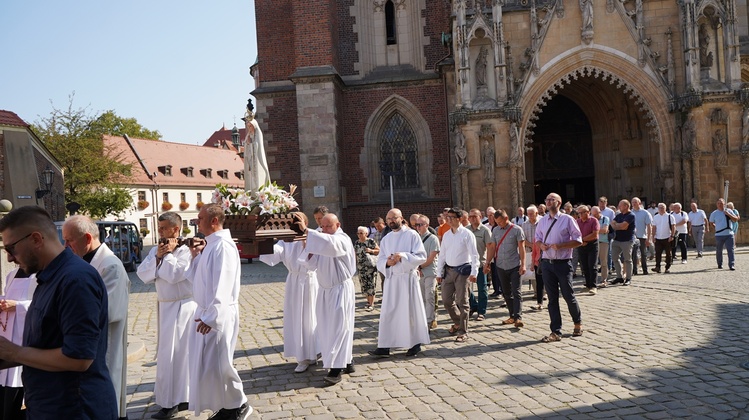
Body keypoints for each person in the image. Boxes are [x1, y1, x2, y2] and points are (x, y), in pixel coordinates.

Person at [0, 206, 117, 418]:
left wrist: (13, 352)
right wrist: (6, 357)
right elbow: (45, 345)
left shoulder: (76, 279)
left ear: (36, 239)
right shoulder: (48, 277)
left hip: (75, 408)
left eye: (11, 249)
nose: (9, 258)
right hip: (49, 405)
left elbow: (79, 359)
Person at [185, 204, 251, 419]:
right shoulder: (211, 245)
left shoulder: (222, 246)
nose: (197, 221)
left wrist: (212, 317)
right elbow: (200, 280)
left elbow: (222, 283)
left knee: (221, 363)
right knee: (211, 364)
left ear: (214, 220)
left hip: (218, 313)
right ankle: (226, 404)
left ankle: (239, 404)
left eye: (201, 217)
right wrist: (195, 256)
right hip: (208, 312)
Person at [63, 215, 130, 420]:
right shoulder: (85, 259)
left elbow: (108, 310)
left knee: (103, 396)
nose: (65, 245)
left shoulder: (110, 265)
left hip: (104, 341)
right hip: (90, 340)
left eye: (69, 240)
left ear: (87, 238)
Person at [136, 212, 197, 419]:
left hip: (183, 308)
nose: (159, 231)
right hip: (166, 307)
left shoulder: (187, 251)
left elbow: (174, 275)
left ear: (176, 229)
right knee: (169, 355)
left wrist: (167, 256)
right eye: (159, 227)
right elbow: (142, 274)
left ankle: (175, 401)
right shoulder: (156, 249)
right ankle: (173, 398)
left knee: (178, 355)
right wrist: (158, 257)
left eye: (163, 228)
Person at [296, 213, 356, 385]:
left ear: (338, 225)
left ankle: (336, 369)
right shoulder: (322, 239)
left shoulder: (342, 239)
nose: (325, 230)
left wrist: (308, 232)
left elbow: (332, 247)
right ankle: (348, 360)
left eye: (329, 226)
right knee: (325, 328)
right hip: (324, 290)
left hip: (340, 289)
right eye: (322, 226)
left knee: (340, 328)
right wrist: (306, 244)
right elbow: (311, 264)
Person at [259, 213, 320, 373]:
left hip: (311, 279)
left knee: (312, 317)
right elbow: (273, 255)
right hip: (294, 280)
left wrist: (304, 234)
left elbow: (316, 253)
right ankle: (302, 356)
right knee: (298, 318)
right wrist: (265, 237)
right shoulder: (285, 240)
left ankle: (316, 351)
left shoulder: (312, 234)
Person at [368, 209, 429, 358]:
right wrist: (387, 263)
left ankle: (414, 344)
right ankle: (384, 346)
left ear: (401, 218)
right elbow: (380, 260)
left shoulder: (412, 235)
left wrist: (402, 256)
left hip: (407, 279)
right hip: (392, 280)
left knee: (410, 312)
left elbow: (421, 256)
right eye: (388, 219)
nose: (391, 221)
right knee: (389, 313)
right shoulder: (387, 238)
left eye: (393, 218)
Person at [535, 193, 583, 343]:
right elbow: (537, 239)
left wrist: (561, 245)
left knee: (568, 295)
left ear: (559, 202)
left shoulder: (567, 219)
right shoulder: (542, 221)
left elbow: (578, 240)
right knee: (552, 299)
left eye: (552, 199)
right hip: (547, 264)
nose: (548, 202)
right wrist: (540, 245)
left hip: (563, 263)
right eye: (547, 199)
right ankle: (555, 331)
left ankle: (578, 323)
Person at [436, 208, 479, 343]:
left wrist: (474, 272)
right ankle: (457, 322)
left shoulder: (467, 234)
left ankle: (463, 331)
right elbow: (442, 255)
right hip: (448, 271)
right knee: (446, 299)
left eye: (451, 217)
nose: (448, 219)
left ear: (459, 219)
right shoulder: (447, 235)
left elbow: (474, 255)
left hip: (462, 272)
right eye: (447, 217)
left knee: (462, 301)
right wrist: (439, 273)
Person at [0, 268, 37, 420]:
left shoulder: (39, 276)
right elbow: (6, 297)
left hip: (25, 339)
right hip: (8, 332)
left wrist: (18, 306)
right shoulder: (11, 275)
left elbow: (41, 306)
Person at [485, 209, 526, 327]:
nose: (499, 224)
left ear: (506, 218)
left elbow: (521, 248)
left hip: (514, 265)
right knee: (506, 292)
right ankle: (512, 315)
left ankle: (518, 317)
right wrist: (488, 262)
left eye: (500, 222)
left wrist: (523, 264)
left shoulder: (517, 230)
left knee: (516, 291)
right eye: (497, 222)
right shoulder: (496, 230)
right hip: (500, 265)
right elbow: (492, 247)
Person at [467, 209, 493, 321]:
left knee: (482, 289)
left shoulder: (485, 231)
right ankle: (474, 305)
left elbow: (490, 248)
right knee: (466, 288)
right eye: (470, 216)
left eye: (474, 216)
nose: (472, 218)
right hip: (467, 264)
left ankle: (481, 312)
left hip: (481, 264)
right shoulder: (466, 230)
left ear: (480, 216)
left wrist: (488, 263)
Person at [415, 215, 440, 330]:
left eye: (420, 224)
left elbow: (431, 257)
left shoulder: (433, 238)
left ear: (427, 225)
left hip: (430, 271)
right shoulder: (416, 238)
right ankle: (424, 318)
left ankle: (430, 320)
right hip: (419, 272)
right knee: (422, 297)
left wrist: (420, 266)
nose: (418, 227)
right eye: (416, 225)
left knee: (429, 296)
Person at [522, 205, 544, 310]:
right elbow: (522, 239)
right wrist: (532, 245)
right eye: (528, 214)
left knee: (548, 278)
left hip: (544, 254)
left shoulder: (543, 222)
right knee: (536, 276)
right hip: (531, 252)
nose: (530, 216)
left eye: (532, 214)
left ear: (536, 213)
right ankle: (538, 297)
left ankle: (546, 295)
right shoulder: (524, 225)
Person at [610, 199, 636, 286]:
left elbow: (624, 227)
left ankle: (628, 278)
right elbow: (612, 224)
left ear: (626, 206)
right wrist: (618, 226)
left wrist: (617, 225)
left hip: (627, 240)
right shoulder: (619, 215)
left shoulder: (631, 215)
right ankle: (619, 277)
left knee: (627, 259)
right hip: (617, 239)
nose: (618, 207)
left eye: (620, 206)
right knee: (614, 258)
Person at [353, 226, 379, 311]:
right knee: (364, 285)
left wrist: (371, 251)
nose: (359, 235)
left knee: (371, 284)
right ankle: (368, 302)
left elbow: (379, 250)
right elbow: (355, 254)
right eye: (358, 233)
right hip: (361, 268)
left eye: (361, 233)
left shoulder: (371, 241)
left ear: (366, 234)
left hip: (370, 267)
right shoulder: (357, 243)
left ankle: (371, 304)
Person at [575, 205, 600, 295]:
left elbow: (595, 234)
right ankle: (588, 285)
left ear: (587, 212)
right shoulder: (577, 222)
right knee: (584, 266)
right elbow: (574, 233)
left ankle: (593, 286)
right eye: (579, 213)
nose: (580, 215)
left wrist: (583, 239)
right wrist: (581, 241)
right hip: (581, 245)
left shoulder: (594, 220)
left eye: (582, 212)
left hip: (592, 245)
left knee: (592, 265)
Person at [710, 198, 739, 270]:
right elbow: (711, 222)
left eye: (721, 203)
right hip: (719, 235)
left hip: (729, 234)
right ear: (717, 204)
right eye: (718, 203)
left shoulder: (729, 211)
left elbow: (735, 219)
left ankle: (731, 265)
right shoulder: (714, 213)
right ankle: (719, 263)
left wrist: (728, 214)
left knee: (730, 250)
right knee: (719, 250)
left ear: (724, 204)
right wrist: (716, 228)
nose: (720, 205)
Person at [631, 197, 653, 275]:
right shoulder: (630, 213)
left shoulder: (645, 213)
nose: (633, 204)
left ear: (639, 203)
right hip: (633, 237)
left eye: (635, 202)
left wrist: (649, 238)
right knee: (633, 254)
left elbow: (649, 226)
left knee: (643, 254)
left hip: (642, 236)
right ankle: (634, 270)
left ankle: (645, 269)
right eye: (632, 202)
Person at [652, 203, 675, 274]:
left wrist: (672, 236)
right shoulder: (656, 217)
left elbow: (673, 226)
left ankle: (667, 267)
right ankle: (657, 267)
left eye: (662, 207)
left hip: (667, 237)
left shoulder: (670, 216)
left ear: (665, 208)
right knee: (658, 253)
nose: (661, 209)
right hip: (658, 237)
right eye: (660, 208)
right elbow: (654, 227)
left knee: (668, 253)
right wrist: (653, 236)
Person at [591, 206, 610, 287]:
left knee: (603, 261)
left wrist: (594, 231)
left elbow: (605, 230)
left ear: (600, 212)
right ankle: (592, 281)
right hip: (593, 242)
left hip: (603, 242)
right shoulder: (591, 219)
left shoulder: (605, 219)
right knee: (593, 262)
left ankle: (604, 279)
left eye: (596, 214)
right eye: (593, 214)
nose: (595, 216)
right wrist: (599, 231)